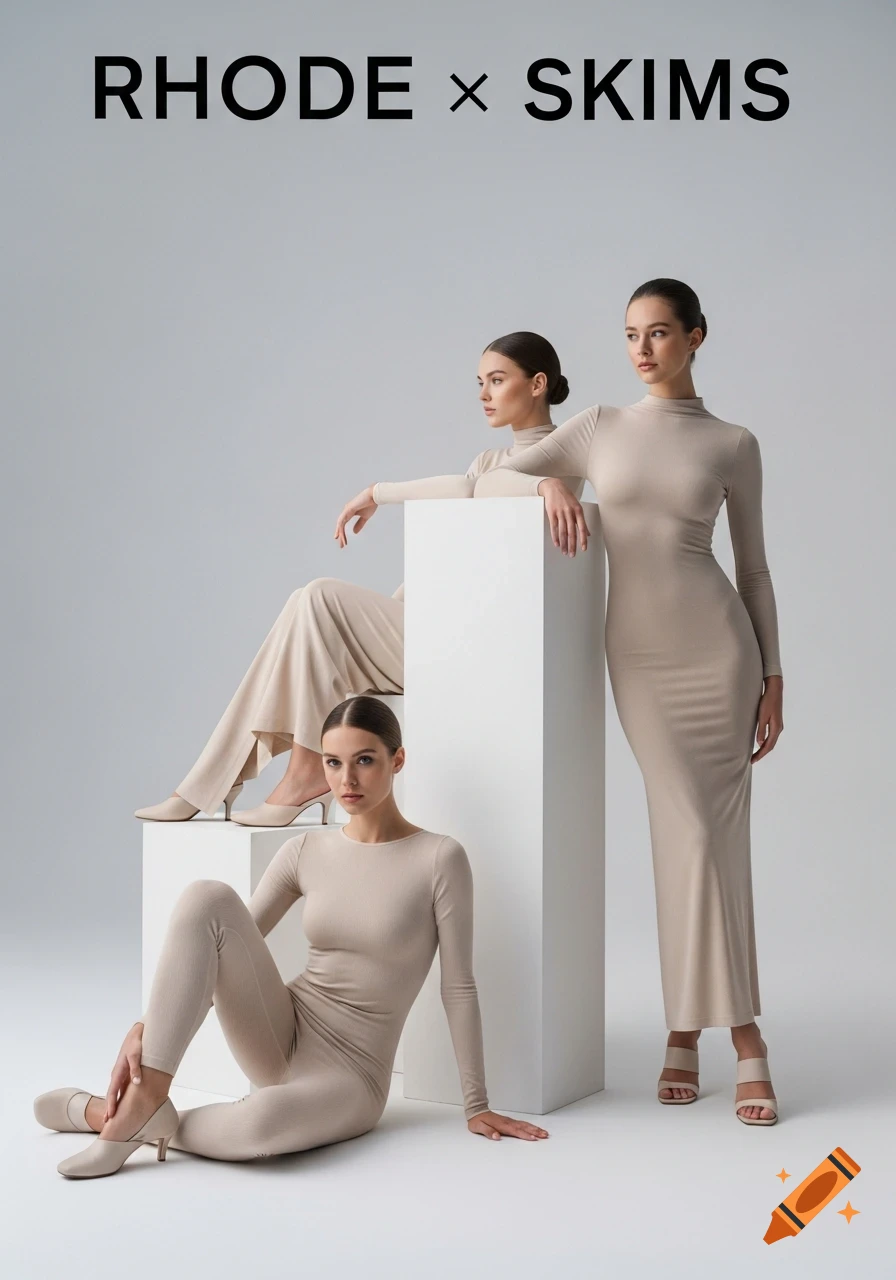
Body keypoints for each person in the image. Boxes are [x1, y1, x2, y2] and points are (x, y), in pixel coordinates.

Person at [473, 279, 783, 1127]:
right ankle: (738, 1033)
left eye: (659, 334)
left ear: (696, 338)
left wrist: (775, 675)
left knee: (711, 837)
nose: (642, 350)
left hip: (720, 653)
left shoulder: (733, 442)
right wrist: (550, 486)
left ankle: (698, 1029)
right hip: (640, 658)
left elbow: (752, 567)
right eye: (630, 335)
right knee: (684, 829)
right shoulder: (601, 426)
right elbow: (503, 467)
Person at [35, 696, 549, 1178]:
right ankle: (145, 1103)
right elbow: (213, 943)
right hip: (280, 1030)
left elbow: (457, 986)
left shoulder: (439, 858)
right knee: (207, 898)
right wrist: (144, 1026)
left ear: (398, 760)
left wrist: (476, 1105)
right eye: (331, 763)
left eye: (364, 760)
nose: (346, 779)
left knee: (263, 1125)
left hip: (353, 1075)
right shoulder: (306, 850)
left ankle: (108, 1117)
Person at [134, 333, 584, 828]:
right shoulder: (487, 460)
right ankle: (214, 781)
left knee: (320, 597)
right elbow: (473, 499)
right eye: (480, 382)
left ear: (537, 384)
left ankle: (280, 777)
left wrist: (378, 492)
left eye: (497, 381)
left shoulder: (561, 456)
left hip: (467, 647)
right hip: (434, 622)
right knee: (303, 604)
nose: (483, 395)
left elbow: (473, 490)